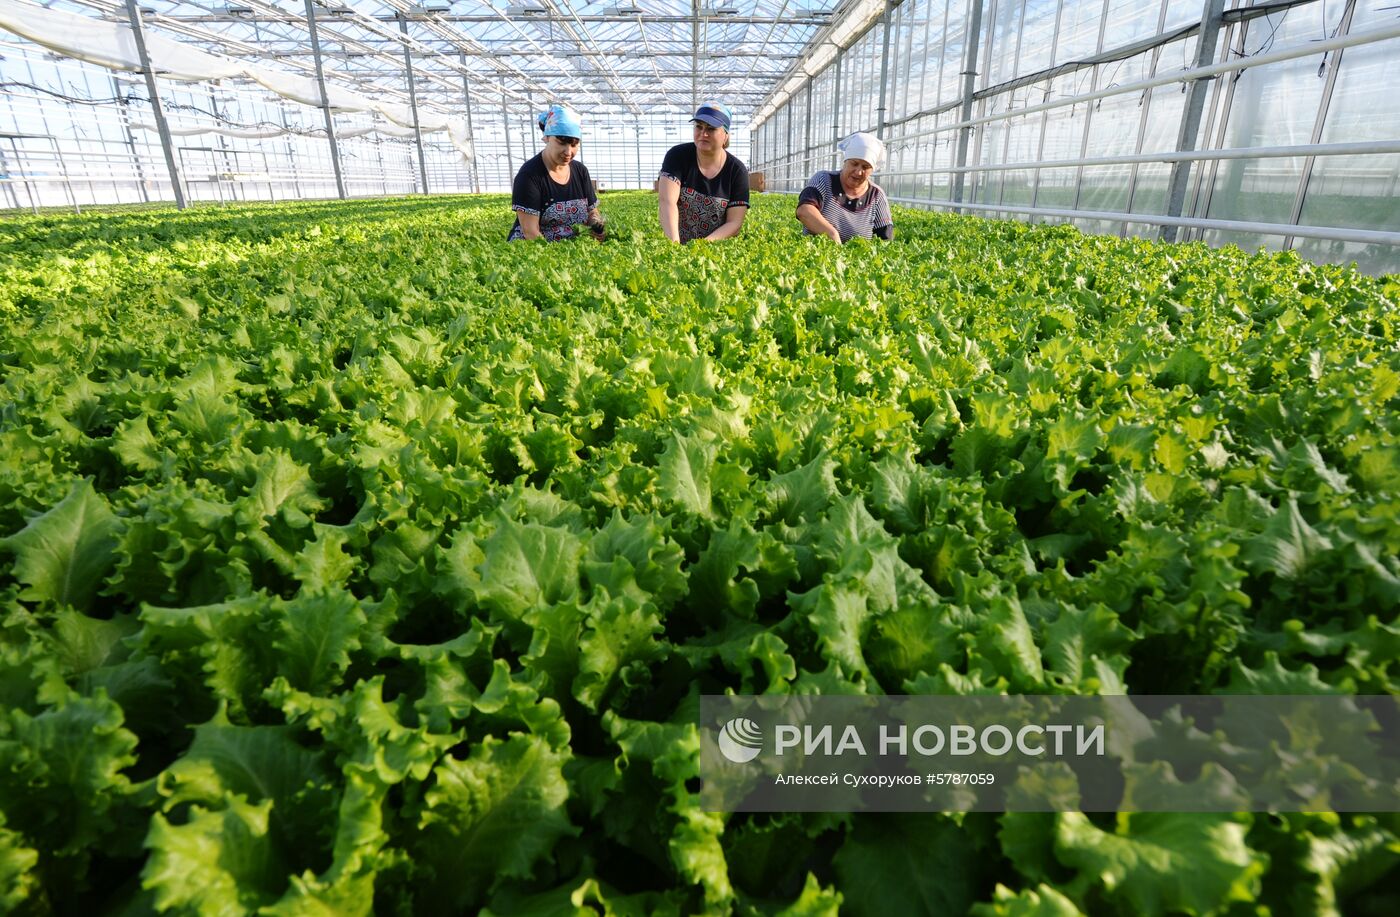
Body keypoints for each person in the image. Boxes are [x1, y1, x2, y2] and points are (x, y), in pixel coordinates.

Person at [508, 103, 605, 242]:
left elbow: (592, 211)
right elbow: (530, 232)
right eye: (561, 142)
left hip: (571, 248)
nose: (568, 152)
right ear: (547, 138)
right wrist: (556, 259)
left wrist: (596, 224)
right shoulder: (529, 175)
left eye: (574, 144)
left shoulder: (580, 171)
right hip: (535, 250)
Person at [658, 101, 749, 243]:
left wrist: (701, 246)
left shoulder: (737, 170)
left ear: (725, 135)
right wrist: (674, 247)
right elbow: (667, 201)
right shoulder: (677, 156)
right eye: (698, 127)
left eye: (711, 129)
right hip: (677, 244)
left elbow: (734, 223)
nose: (703, 134)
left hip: (716, 250)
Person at [795, 132, 894, 243]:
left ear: (872, 169)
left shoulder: (877, 195)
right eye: (854, 163)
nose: (858, 172)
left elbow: (885, 239)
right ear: (845, 162)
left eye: (866, 167)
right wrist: (832, 234)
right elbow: (804, 210)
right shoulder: (824, 179)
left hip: (857, 260)